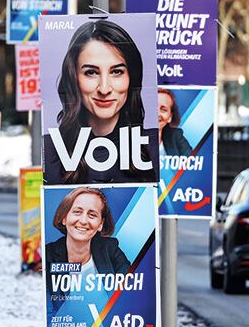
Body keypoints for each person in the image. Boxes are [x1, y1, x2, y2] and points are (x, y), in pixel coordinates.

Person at [43, 19, 158, 184]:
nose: (104, 89)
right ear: (73, 77)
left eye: (117, 71)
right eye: (91, 72)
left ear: (131, 78)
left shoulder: (154, 145)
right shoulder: (50, 151)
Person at [45, 187, 131, 312]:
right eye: (77, 212)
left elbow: (131, 293)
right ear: (64, 218)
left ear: (100, 224)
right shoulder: (48, 255)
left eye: (92, 215)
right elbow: (46, 310)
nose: (84, 221)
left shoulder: (110, 249)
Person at [157, 88, 192, 156]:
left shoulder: (176, 136)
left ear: (170, 117)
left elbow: (191, 161)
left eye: (163, 109)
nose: (157, 114)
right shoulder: (133, 136)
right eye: (152, 107)